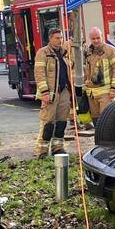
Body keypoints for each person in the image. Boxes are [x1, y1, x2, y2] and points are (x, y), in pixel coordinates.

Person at [33, 28, 73, 158]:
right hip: (50, 93)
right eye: (57, 38)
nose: (60, 40)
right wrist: (44, 92)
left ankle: (58, 148)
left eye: (61, 38)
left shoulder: (64, 53)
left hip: (64, 91)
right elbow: (39, 73)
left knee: (62, 121)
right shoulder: (43, 53)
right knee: (47, 122)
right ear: (50, 38)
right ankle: (42, 151)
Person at [83, 26, 115, 127]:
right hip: (92, 94)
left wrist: (114, 89)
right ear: (90, 39)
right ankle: (99, 141)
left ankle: (109, 141)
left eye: (98, 38)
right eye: (93, 39)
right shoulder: (88, 52)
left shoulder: (111, 51)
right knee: (96, 120)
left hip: (106, 93)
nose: (96, 41)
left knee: (107, 119)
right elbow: (87, 72)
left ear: (102, 37)